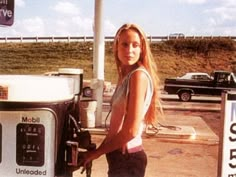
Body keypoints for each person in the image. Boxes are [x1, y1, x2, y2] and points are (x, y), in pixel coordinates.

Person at [82, 23, 162, 177]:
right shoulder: (126, 76)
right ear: (117, 47)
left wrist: (97, 153)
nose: (129, 50)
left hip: (128, 159)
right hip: (118, 156)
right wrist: (96, 152)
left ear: (142, 49)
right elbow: (115, 128)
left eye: (135, 45)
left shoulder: (138, 76)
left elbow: (131, 131)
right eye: (124, 44)